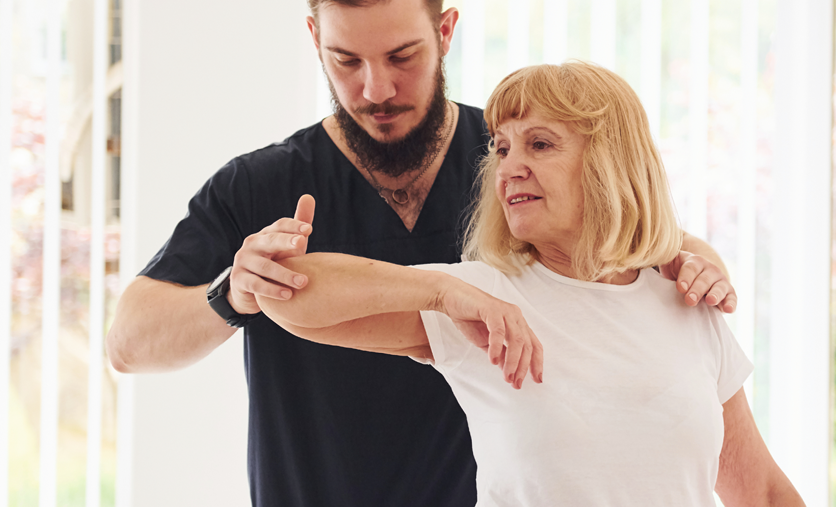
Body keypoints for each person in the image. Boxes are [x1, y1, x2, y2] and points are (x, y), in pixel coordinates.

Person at [104, 0, 738, 506]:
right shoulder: (259, 185)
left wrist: (697, 259)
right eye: (345, 61)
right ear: (314, 39)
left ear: (445, 31)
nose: (376, 89)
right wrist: (234, 294)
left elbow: (628, 236)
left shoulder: (511, 167)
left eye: (401, 57)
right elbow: (131, 342)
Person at [257, 61, 802, 506]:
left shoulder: (686, 299)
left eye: (539, 144)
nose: (509, 167)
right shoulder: (482, 298)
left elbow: (762, 493)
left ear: (609, 162)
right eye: (501, 148)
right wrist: (443, 293)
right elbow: (291, 293)